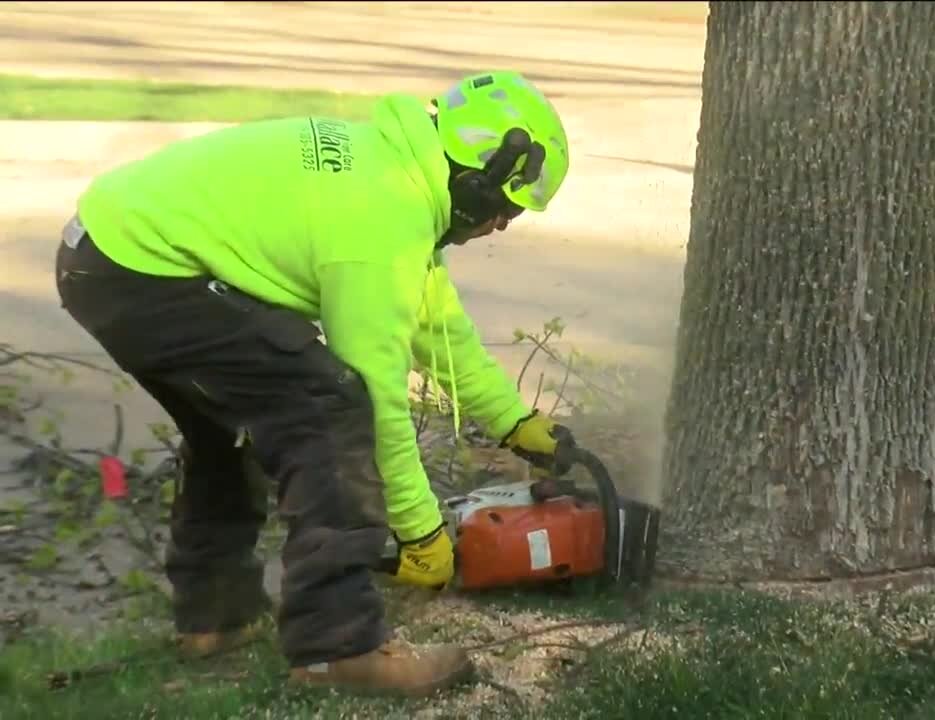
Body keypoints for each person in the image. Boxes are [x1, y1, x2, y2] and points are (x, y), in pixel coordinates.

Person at [53, 70, 576, 697]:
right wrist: (419, 530)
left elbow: (437, 329)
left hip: (108, 253)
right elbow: (377, 393)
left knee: (233, 423)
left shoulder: (393, 173)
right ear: (479, 175)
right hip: (136, 267)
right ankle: (339, 646)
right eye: (506, 206)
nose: (502, 225)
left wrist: (513, 423)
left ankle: (215, 618)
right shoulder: (381, 221)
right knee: (327, 407)